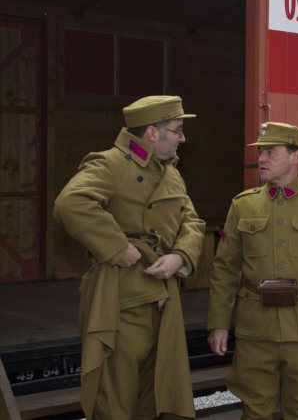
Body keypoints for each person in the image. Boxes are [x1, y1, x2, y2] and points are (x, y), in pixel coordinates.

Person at [53, 95, 205, 420]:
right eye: (177, 130)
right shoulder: (111, 163)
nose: (183, 138)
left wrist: (180, 256)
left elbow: (192, 221)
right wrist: (117, 247)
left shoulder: (170, 173)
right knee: (115, 398)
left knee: (154, 394)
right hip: (121, 298)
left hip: (164, 299)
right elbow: (71, 202)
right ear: (153, 133)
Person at [207, 121, 298, 420]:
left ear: (295, 157)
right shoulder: (243, 205)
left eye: (270, 152)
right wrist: (218, 323)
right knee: (255, 409)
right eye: (261, 152)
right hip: (255, 329)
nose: (261, 159)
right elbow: (224, 270)